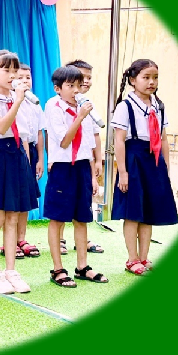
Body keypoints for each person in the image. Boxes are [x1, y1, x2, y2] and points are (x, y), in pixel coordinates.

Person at [110, 59, 178, 275]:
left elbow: (163, 139)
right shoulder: (125, 106)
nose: (151, 82)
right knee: (133, 212)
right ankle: (132, 259)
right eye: (146, 77)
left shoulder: (159, 106)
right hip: (134, 160)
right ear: (133, 80)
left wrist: (164, 168)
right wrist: (123, 172)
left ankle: (144, 257)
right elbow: (119, 141)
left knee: (148, 211)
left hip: (153, 161)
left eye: (155, 78)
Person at [0, 51, 37, 294]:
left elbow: (24, 135)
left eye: (15, 71)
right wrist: (18, 102)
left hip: (17, 155)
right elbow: (1, 127)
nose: (12, 76)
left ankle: (11, 270)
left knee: (14, 216)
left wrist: (27, 161)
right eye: (6, 70)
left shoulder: (20, 98)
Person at [43, 66, 109, 288]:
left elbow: (88, 144)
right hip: (62, 167)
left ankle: (82, 267)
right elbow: (64, 141)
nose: (75, 91)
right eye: (70, 86)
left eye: (78, 86)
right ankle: (58, 269)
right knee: (58, 218)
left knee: (82, 218)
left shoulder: (85, 106)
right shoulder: (53, 106)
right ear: (58, 88)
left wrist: (92, 175)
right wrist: (80, 116)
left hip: (81, 167)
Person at [64, 60, 105, 254]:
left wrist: (98, 160)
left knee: (84, 201)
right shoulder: (58, 104)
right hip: (66, 161)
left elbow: (94, 135)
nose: (86, 81)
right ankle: (60, 238)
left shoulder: (89, 105)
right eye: (82, 77)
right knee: (64, 201)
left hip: (84, 160)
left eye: (89, 77)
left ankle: (82, 240)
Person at [12, 62, 46, 259]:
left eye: (28, 77)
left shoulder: (35, 103)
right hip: (15, 150)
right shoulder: (11, 100)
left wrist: (40, 159)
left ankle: (21, 238)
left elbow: (39, 133)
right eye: (20, 77)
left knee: (26, 197)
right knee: (13, 198)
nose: (25, 81)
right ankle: (8, 240)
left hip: (31, 150)